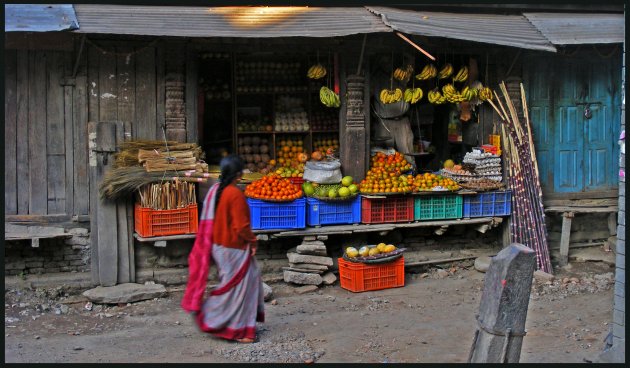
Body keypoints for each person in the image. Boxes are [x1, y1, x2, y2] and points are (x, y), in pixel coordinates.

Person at [181, 154, 264, 344]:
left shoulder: (215, 190)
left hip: (220, 247)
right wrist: (253, 241)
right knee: (239, 289)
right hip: (234, 247)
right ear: (239, 174)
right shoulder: (234, 194)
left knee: (239, 284)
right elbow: (241, 226)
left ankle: (238, 325)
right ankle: (223, 323)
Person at [371, 54, 417, 170]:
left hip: (402, 121)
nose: (388, 65)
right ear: (380, 63)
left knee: (407, 153)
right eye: (385, 62)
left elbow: (411, 64)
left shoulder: (401, 75)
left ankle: (412, 174)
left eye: (390, 61)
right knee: (383, 155)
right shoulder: (375, 78)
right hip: (384, 122)